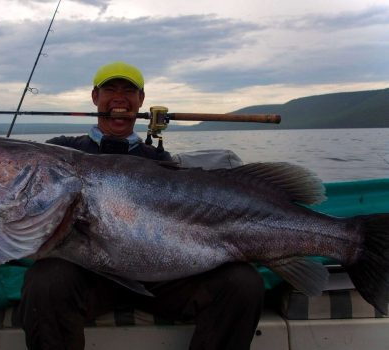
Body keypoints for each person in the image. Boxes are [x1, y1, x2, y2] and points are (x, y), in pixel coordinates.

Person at [14, 61, 265, 350]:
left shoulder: (160, 161)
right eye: (110, 88)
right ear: (95, 97)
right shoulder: (61, 152)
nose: (119, 96)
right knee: (45, 282)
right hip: (89, 274)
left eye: (128, 90)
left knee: (242, 283)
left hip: (159, 278)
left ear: (141, 100)